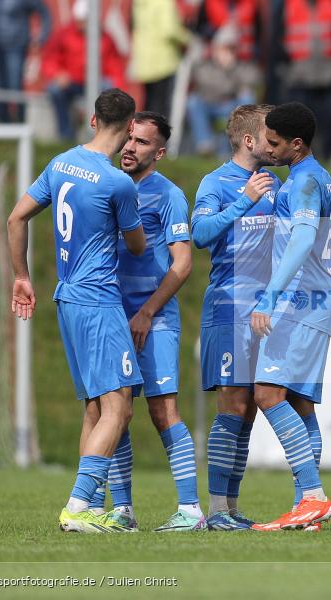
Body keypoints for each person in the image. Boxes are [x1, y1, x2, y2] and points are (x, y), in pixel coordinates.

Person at [7, 88, 146, 533]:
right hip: (99, 300)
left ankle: (89, 506)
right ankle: (78, 505)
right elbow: (137, 245)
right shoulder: (118, 183)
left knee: (95, 409)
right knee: (120, 408)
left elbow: (15, 218)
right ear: (129, 128)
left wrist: (22, 276)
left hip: (66, 298)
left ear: (92, 120)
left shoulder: (61, 163)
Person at [248, 102, 331, 531]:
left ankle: (313, 497)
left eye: (274, 142)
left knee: (268, 394)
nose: (267, 148)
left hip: (296, 303)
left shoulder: (302, 181)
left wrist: (269, 298)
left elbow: (303, 239)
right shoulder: (320, 177)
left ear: (296, 144)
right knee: (300, 403)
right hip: (318, 300)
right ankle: (307, 509)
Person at [82, 112, 203, 532]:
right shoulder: (107, 185)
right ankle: (123, 511)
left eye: (143, 142)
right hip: (111, 316)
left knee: (162, 410)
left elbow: (182, 264)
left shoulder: (168, 195)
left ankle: (190, 510)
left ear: (160, 152)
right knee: (114, 408)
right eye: (130, 138)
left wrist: (148, 312)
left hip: (154, 318)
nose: (131, 147)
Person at [191, 104, 282, 531]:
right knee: (232, 404)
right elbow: (200, 234)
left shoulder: (274, 182)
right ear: (249, 141)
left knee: (247, 411)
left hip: (263, 310)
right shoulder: (217, 183)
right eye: (269, 136)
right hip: (228, 307)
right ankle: (215, 511)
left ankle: (230, 506)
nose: (275, 144)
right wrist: (245, 201)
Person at [41, 0, 127, 140]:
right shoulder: (64, 34)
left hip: (97, 82)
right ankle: (65, 134)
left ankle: (104, 134)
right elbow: (50, 59)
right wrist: (57, 74)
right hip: (71, 82)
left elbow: (114, 66)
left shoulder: (105, 38)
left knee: (111, 91)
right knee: (55, 90)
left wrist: (119, 89)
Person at [274, 0, 331, 161]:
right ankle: (295, 159)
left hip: (328, 75)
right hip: (298, 76)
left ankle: (326, 157)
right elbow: (277, 39)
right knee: (297, 123)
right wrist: (284, 69)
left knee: (329, 120)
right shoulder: (287, 5)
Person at [186, 25, 260, 156]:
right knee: (193, 101)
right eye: (224, 48)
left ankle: (242, 144)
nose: (228, 53)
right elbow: (205, 82)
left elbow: (254, 79)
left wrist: (230, 69)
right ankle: (205, 144)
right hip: (209, 104)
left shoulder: (241, 66)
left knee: (247, 96)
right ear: (216, 49)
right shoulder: (205, 65)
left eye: (232, 49)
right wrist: (227, 76)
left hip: (230, 107)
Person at [0, 0, 51, 123]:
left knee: (15, 86)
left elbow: (44, 12)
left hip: (15, 46)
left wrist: (41, 37)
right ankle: (3, 123)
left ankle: (21, 122)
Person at [131, 0, 189, 118]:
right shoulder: (163, 2)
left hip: (144, 61)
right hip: (163, 61)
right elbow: (170, 31)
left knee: (149, 104)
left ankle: (147, 129)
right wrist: (188, 39)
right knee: (162, 106)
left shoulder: (139, 3)